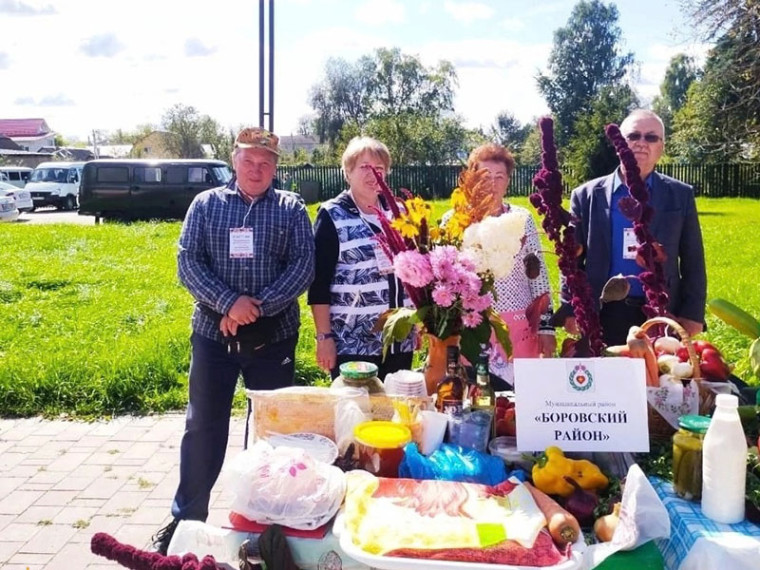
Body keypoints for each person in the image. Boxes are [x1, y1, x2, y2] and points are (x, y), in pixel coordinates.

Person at [150, 127, 315, 554]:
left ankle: (264, 523)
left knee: (270, 433)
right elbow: (188, 262)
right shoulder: (205, 206)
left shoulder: (291, 209)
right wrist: (228, 303)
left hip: (273, 336)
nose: (256, 169)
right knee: (203, 426)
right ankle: (187, 520)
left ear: (276, 167)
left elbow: (303, 266)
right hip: (212, 335)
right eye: (248, 161)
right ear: (234, 159)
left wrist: (253, 308)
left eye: (266, 163)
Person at [564, 109, 707, 346]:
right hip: (602, 313)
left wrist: (692, 314)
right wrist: (571, 308)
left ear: (661, 147)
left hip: (662, 312)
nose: (641, 143)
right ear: (618, 143)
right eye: (633, 136)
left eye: (651, 137)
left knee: (658, 381)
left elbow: (693, 259)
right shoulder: (586, 196)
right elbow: (571, 261)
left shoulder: (680, 195)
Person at [448, 143, 556, 389]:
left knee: (517, 402)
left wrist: (546, 327)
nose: (492, 184)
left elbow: (537, 276)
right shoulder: (454, 221)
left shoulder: (521, 219)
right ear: (472, 179)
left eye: (500, 177)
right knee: (473, 397)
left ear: (508, 181)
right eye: (485, 176)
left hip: (516, 326)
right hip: (471, 327)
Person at [308, 136, 414, 380]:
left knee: (394, 414)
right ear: (348, 172)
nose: (373, 175)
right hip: (352, 342)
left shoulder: (399, 212)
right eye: (364, 167)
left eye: (379, 168)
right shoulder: (332, 214)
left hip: (398, 340)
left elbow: (415, 269)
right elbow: (319, 284)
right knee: (355, 414)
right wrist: (323, 338)